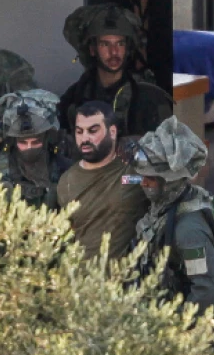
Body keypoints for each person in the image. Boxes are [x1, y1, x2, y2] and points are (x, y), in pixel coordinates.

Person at [127, 116, 214, 312]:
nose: (143, 183)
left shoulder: (189, 230)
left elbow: (207, 292)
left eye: (151, 179)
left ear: (170, 182)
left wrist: (177, 329)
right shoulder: (165, 205)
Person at [57, 4, 173, 138]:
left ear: (127, 48)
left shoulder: (148, 96)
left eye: (120, 43)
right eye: (105, 44)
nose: (114, 52)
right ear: (92, 49)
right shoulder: (76, 96)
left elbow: (167, 148)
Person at [56, 101, 149, 261]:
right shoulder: (67, 182)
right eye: (79, 131)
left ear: (112, 132)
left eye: (93, 131)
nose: (85, 138)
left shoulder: (135, 170)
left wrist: (138, 148)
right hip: (82, 279)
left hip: (128, 278)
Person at [0, 89, 71, 210]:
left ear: (46, 140)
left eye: (35, 142)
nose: (29, 148)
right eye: (23, 142)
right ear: (13, 141)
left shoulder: (66, 173)